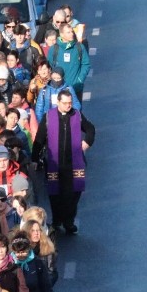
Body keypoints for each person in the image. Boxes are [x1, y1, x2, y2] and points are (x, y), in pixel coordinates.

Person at [31, 89, 96, 235]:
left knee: (74, 193)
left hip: (74, 162)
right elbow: (39, 139)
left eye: (70, 103)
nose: (68, 106)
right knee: (55, 194)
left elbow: (90, 129)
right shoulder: (49, 116)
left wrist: (87, 142)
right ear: (58, 102)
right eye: (65, 103)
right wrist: (35, 158)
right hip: (55, 162)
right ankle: (57, 220)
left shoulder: (77, 115)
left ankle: (69, 220)